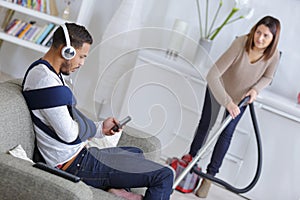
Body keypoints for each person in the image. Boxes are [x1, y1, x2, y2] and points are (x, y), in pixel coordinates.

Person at [22, 22, 174, 200]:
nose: (82, 63)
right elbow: (69, 134)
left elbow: (71, 122)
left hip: (81, 155)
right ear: (66, 51)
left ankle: (114, 190)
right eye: (81, 57)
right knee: (164, 175)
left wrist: (100, 128)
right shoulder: (44, 80)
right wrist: (94, 129)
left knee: (136, 153)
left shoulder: (52, 75)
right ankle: (113, 187)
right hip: (74, 164)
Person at [181, 15, 281, 198]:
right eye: (258, 32)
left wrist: (255, 90)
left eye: (266, 36)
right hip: (218, 88)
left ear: (273, 39)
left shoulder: (273, 55)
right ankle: (189, 166)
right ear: (254, 30)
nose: (260, 38)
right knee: (206, 125)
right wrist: (227, 101)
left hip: (241, 98)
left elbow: (268, 77)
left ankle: (209, 178)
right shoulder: (241, 43)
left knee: (226, 133)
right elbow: (212, 75)